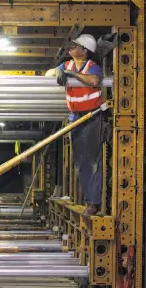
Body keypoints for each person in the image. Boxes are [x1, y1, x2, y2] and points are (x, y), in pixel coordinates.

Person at [46, 34, 106, 215]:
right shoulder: (66, 65)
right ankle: (89, 199)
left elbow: (95, 81)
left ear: (84, 50)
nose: (71, 48)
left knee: (92, 161)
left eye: (76, 45)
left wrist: (72, 74)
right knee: (80, 162)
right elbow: (49, 73)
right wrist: (57, 71)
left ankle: (93, 203)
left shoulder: (91, 67)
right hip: (76, 117)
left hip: (93, 116)